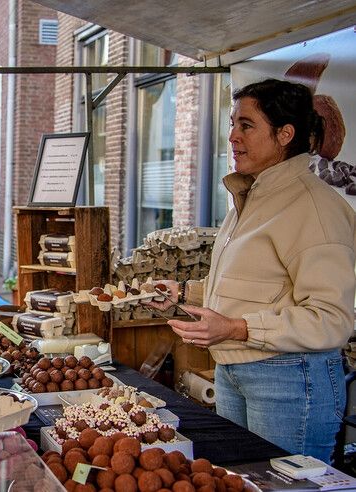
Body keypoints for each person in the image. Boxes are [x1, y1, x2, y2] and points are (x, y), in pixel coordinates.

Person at [148, 79, 356, 462]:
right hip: (235, 370)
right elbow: (253, 285)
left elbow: (331, 320)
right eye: (232, 124)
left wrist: (236, 328)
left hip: (292, 380)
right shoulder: (252, 196)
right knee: (243, 481)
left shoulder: (315, 207)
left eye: (246, 125)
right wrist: (183, 294)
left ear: (284, 134)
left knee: (287, 488)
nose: (232, 136)